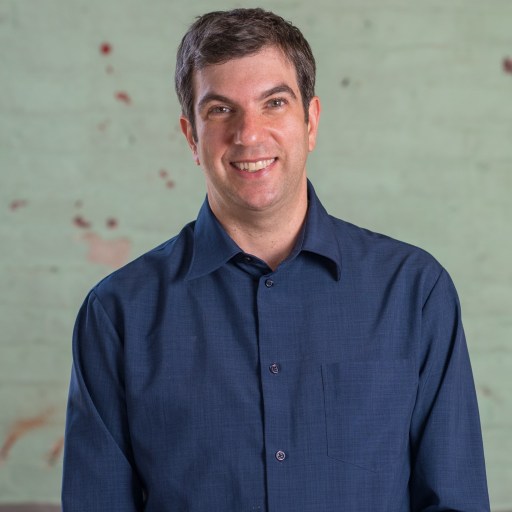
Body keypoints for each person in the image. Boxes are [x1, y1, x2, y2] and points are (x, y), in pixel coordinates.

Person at [62, 8, 490, 511]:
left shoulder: (415, 293)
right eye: (221, 110)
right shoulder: (118, 315)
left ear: (310, 121)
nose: (249, 134)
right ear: (191, 137)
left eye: (274, 103)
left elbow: (454, 501)